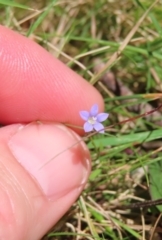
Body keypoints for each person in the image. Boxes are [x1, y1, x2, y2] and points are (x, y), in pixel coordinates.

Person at [0, 25, 104, 239]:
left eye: (94, 120)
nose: (92, 120)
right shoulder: (85, 118)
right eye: (91, 119)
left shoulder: (93, 120)